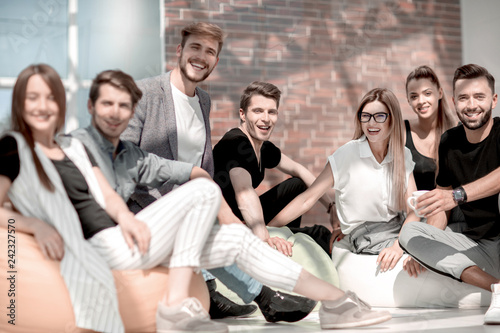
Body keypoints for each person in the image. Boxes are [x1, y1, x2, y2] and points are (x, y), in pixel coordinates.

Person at [0, 63, 392, 332]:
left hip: (129, 241)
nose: (42, 106)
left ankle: (336, 303)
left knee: (235, 239)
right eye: (33, 98)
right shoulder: (13, 147)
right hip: (100, 247)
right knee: (204, 190)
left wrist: (130, 218)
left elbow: (107, 197)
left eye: (50, 98)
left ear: (61, 104)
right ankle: (173, 306)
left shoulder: (73, 148)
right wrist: (30, 223)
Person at [73, 69, 318, 322]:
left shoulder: (131, 155)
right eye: (107, 104)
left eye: (124, 107)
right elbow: (92, 195)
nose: (116, 113)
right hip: (101, 241)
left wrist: (217, 203)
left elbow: (188, 171)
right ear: (91, 106)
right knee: (197, 201)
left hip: (124, 235)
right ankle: (249, 297)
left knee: (199, 190)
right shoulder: (77, 146)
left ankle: (256, 297)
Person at [121, 22, 316, 321]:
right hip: (145, 209)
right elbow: (124, 160)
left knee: (217, 223)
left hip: (192, 210)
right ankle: (265, 297)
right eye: (195, 48)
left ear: (216, 60)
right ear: (179, 51)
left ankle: (220, 292)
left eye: (210, 51)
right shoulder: (144, 93)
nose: (201, 56)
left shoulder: (203, 101)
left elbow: (203, 166)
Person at [269, 88, 419, 272]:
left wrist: (398, 245)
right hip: (367, 234)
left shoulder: (403, 155)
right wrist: (265, 229)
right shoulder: (347, 154)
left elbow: (413, 209)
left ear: (392, 119)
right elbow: (307, 198)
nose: (371, 123)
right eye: (366, 116)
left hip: (399, 228)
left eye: (379, 116)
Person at [399, 64, 500, 324]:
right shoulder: (449, 141)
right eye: (464, 98)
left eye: (479, 96)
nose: (471, 105)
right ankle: (497, 289)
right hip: (477, 243)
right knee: (410, 233)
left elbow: (453, 196)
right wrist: (427, 244)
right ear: (454, 102)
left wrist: (457, 195)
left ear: (494, 100)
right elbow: (441, 203)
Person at [212, 81, 337, 255]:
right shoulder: (235, 143)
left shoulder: (262, 147)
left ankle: (283, 236)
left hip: (246, 219)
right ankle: (279, 238)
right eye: (258, 111)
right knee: (320, 235)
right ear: (242, 114)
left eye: (271, 112)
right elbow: (244, 192)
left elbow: (298, 170)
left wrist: (331, 207)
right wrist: (263, 236)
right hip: (230, 224)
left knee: (298, 184)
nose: (266, 118)